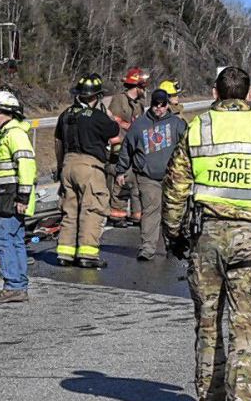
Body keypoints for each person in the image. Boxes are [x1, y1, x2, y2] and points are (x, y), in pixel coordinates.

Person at [163, 66, 251, 401]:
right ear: (249, 94)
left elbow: (175, 188)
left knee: (208, 325)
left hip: (206, 237)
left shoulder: (198, 126)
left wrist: (173, 234)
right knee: (245, 326)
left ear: (214, 91)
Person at [54, 73, 120, 268]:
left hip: (67, 164)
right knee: (92, 209)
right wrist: (107, 115)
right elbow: (114, 130)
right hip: (90, 167)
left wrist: (60, 168)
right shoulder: (98, 116)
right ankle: (88, 255)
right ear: (97, 96)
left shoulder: (65, 115)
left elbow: (58, 142)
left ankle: (65, 253)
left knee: (70, 210)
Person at [116, 88, 186, 260]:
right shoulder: (140, 124)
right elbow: (127, 148)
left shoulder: (177, 123)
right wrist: (121, 170)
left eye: (163, 105)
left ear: (167, 105)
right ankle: (147, 248)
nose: (159, 109)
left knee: (173, 213)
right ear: (151, 104)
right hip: (147, 177)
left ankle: (172, 244)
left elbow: (188, 147)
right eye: (156, 105)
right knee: (150, 211)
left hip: (173, 177)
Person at [0, 90, 37, 304]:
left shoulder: (14, 134)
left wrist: (22, 198)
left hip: (11, 196)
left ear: (10, 113)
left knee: (2, 240)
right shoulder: (5, 133)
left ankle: (13, 286)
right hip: (9, 195)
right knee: (15, 241)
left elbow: (26, 165)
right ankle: (18, 285)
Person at [107, 67, 149, 224]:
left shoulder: (138, 103)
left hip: (133, 147)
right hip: (120, 146)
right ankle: (117, 214)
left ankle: (136, 214)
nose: (145, 90)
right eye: (143, 86)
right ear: (137, 86)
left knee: (134, 180)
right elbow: (113, 123)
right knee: (120, 180)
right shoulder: (119, 100)